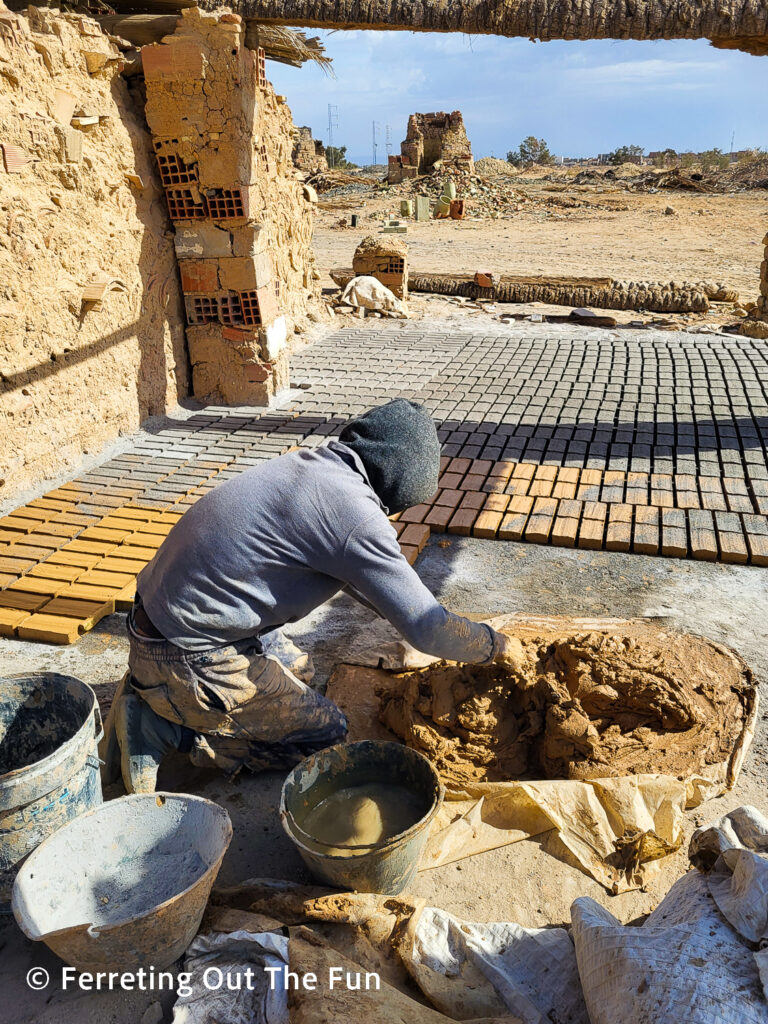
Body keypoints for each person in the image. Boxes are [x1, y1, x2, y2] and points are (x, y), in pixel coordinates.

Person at [101, 399, 525, 793]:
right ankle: (168, 730)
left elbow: (377, 594)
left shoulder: (316, 467)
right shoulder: (353, 519)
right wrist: (493, 644)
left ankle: (162, 693)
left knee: (300, 668)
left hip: (161, 617)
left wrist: (411, 605)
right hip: (188, 653)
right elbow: (427, 629)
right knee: (324, 732)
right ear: (406, 478)